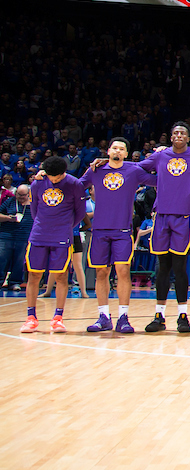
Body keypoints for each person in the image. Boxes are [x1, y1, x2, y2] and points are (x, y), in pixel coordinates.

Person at [137, 122, 190, 333]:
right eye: (175, 133)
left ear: (188, 138)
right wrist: (156, 181)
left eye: (182, 133)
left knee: (179, 266)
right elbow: (137, 169)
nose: (179, 135)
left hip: (184, 216)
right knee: (162, 266)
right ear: (170, 137)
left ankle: (183, 315)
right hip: (161, 215)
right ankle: (159, 315)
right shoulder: (160, 156)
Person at [80, 137, 156, 333]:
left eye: (122, 149)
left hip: (122, 230)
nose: (117, 151)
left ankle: (123, 317)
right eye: (114, 147)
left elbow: (159, 180)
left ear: (126, 154)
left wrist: (162, 156)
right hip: (99, 230)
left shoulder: (134, 170)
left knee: (123, 271)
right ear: (108, 151)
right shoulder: (96, 169)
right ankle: (104, 316)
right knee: (101, 273)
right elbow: (76, 185)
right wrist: (47, 174)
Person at [20, 156, 87, 333]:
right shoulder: (38, 183)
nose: (53, 180)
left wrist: (64, 226)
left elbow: (80, 213)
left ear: (64, 173)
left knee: (61, 276)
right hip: (39, 235)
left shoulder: (74, 184)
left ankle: (58, 318)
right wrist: (44, 224)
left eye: (57, 177)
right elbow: (35, 210)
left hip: (62, 236)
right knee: (33, 276)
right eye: (51, 177)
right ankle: (31, 318)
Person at [0, 184, 33, 291]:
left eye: (23, 195)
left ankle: (14, 282)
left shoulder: (33, 205)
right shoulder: (10, 202)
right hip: (6, 236)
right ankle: (0, 281)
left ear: (28, 194)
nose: (20, 197)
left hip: (23, 237)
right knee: (2, 260)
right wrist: (8, 218)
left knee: (19, 262)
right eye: (18, 194)